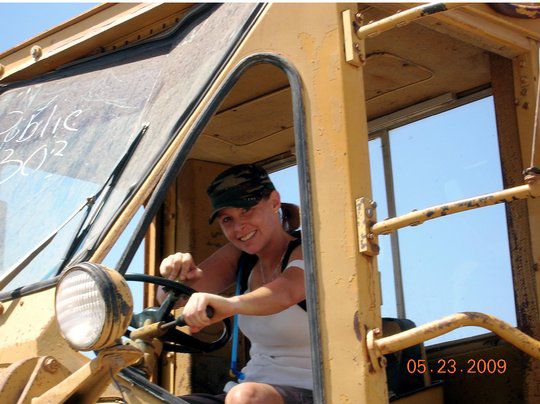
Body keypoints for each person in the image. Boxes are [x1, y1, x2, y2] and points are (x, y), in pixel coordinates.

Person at [158, 164, 312, 404]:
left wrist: (229, 305)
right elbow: (174, 299)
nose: (239, 227)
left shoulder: (308, 249)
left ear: (274, 202)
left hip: (316, 389)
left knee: (245, 398)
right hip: (248, 388)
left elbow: (286, 293)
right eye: (227, 219)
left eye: (247, 210)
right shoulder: (240, 257)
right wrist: (173, 275)